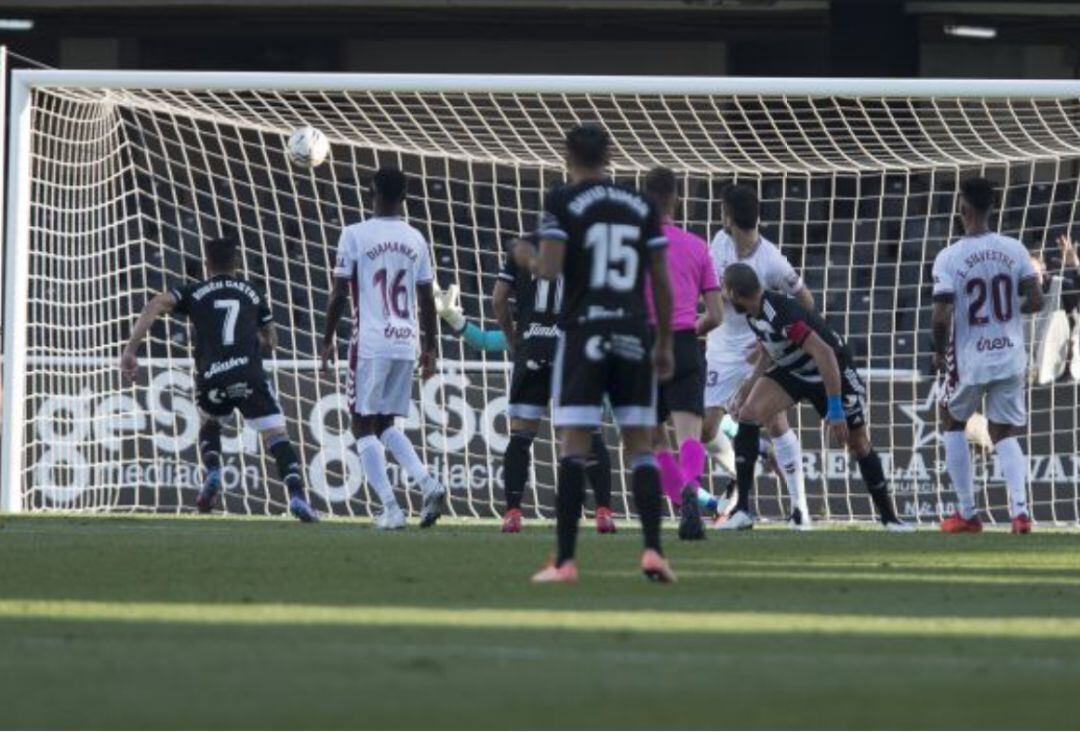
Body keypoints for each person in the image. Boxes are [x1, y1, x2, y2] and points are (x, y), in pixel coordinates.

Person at [531, 123, 676, 584]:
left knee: (575, 445)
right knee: (641, 447)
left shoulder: (562, 201)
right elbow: (661, 278)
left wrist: (523, 256)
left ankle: (566, 562)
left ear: (566, 155)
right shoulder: (641, 205)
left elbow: (550, 270)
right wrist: (666, 342)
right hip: (634, 332)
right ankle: (653, 552)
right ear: (610, 155)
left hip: (585, 332)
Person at [120, 235, 318, 523]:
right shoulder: (252, 292)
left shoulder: (195, 291)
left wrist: (130, 350)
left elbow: (154, 305)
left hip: (212, 376)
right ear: (236, 262)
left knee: (209, 421)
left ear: (206, 264)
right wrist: (252, 341)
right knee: (276, 436)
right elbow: (272, 340)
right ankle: (297, 495)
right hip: (248, 374)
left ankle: (212, 472)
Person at [432, 239, 617, 534]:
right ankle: (604, 512)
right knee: (589, 434)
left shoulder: (523, 251)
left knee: (520, 436)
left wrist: (455, 320)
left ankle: (513, 513)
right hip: (572, 352)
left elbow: (494, 313)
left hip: (532, 350)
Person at [724, 262, 911, 532]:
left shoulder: (778, 311)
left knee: (857, 443)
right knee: (749, 414)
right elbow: (769, 350)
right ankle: (742, 510)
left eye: (724, 290)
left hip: (832, 371)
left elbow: (825, 353)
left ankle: (890, 519)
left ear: (733, 293)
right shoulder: (753, 314)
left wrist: (835, 409)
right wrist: (746, 389)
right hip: (795, 371)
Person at [321, 166, 446, 530]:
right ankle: (427, 482)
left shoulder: (354, 234)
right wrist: (431, 346)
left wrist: (327, 339)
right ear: (405, 196)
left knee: (361, 425)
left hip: (371, 342)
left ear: (371, 190)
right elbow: (427, 298)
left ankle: (391, 509)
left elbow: (339, 294)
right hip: (406, 341)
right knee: (387, 423)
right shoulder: (416, 238)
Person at [934, 177, 1042, 535]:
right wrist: (1008, 309)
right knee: (1004, 432)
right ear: (992, 207)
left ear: (963, 209)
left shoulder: (949, 257)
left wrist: (938, 352)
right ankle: (1021, 514)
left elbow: (940, 315)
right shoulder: (1015, 249)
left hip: (969, 358)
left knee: (951, 420)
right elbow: (1037, 301)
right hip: (1010, 354)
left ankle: (967, 513)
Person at [704, 184, 813, 530]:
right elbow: (708, 290)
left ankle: (800, 511)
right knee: (706, 429)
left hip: (757, 352)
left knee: (776, 421)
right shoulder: (718, 243)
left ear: (730, 218)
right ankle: (748, 467)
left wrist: (772, 337)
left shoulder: (773, 260)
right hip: (721, 349)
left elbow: (806, 303)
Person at [640, 167, 723, 541]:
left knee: (655, 439)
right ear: (676, 199)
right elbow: (718, 314)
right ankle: (691, 491)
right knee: (689, 436)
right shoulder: (697, 245)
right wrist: (690, 327)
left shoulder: (633, 246)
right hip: (686, 344)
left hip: (646, 345)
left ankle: (682, 498)